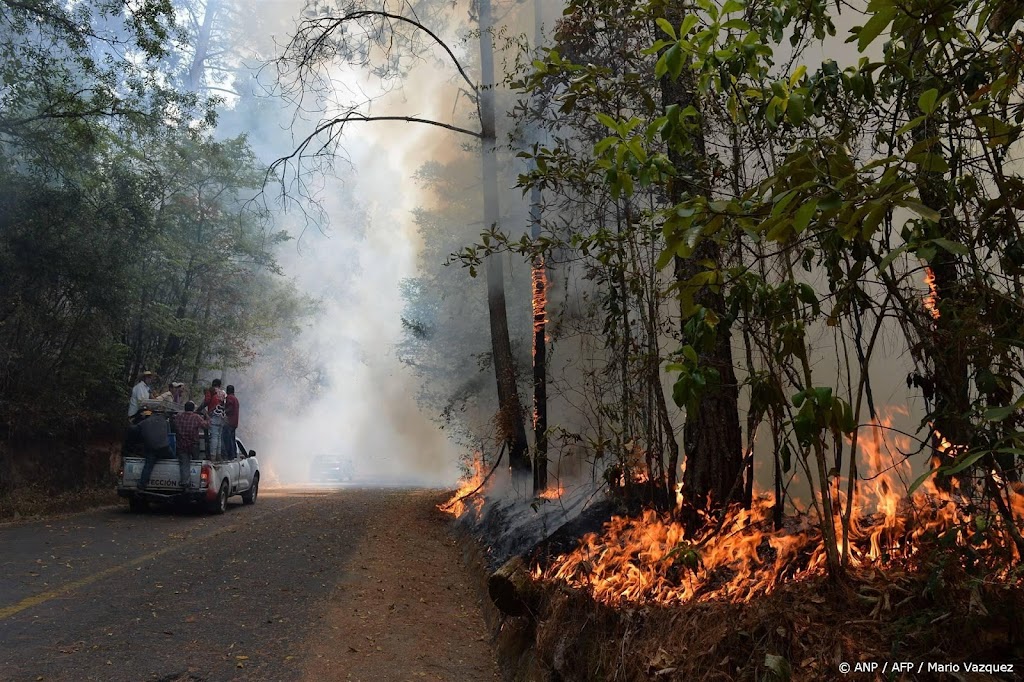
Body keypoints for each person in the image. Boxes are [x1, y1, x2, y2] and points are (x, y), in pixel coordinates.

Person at [126, 409, 172, 490]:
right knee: (173, 459)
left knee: (148, 465)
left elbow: (133, 429)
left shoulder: (145, 422)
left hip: (151, 448)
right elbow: (170, 435)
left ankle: (141, 485)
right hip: (164, 447)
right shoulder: (165, 422)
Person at [173, 401, 208, 487]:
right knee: (195, 463)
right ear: (193, 409)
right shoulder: (196, 417)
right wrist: (207, 418)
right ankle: (195, 482)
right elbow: (206, 426)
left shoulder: (178, 416)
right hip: (193, 445)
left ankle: (185, 482)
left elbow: (173, 424)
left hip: (181, 445)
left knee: (184, 464)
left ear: (185, 408)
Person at [199, 379, 226, 459]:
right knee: (219, 437)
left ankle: (212, 456)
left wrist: (198, 409)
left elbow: (206, 401)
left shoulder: (211, 390)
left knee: (214, 437)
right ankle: (218, 455)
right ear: (219, 385)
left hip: (213, 415)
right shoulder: (223, 393)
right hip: (222, 416)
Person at [222, 385, 240, 459]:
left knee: (227, 439)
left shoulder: (229, 398)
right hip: (235, 422)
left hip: (229, 422)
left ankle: (229, 455)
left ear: (227, 391)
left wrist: (223, 411)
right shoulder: (236, 399)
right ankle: (234, 454)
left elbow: (230, 407)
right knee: (232, 439)